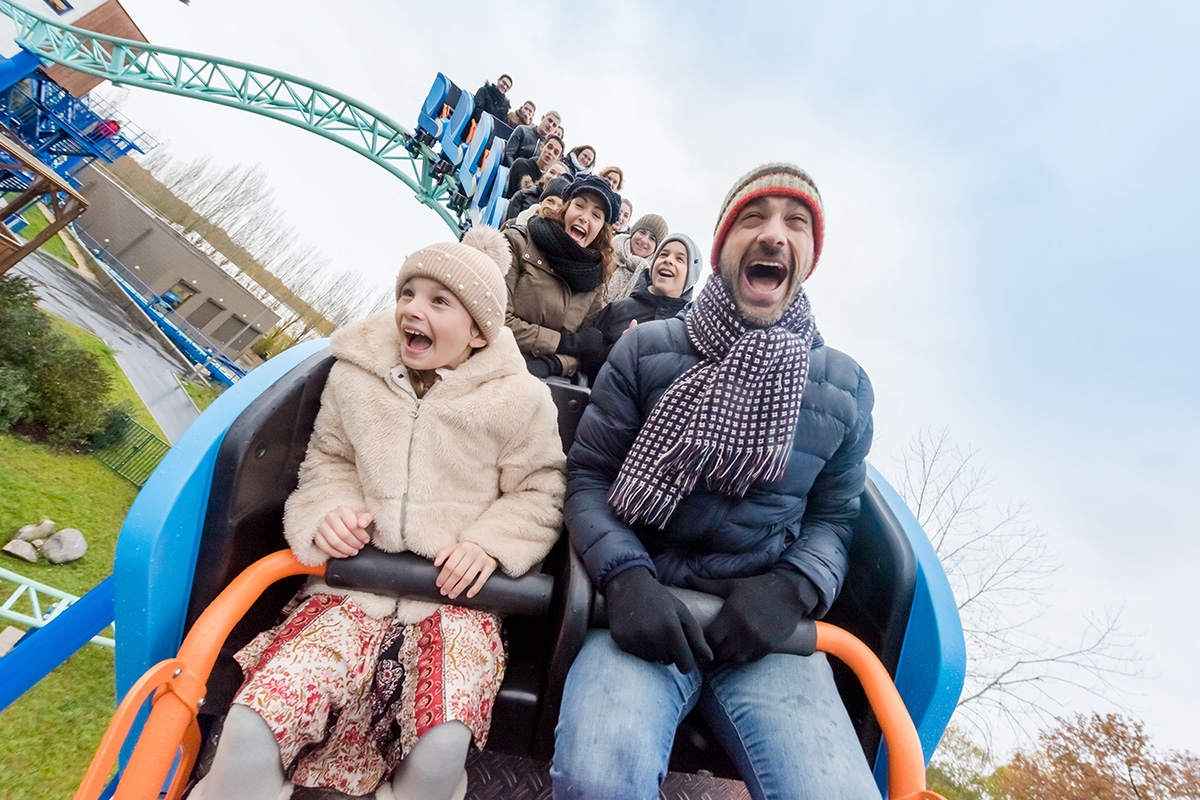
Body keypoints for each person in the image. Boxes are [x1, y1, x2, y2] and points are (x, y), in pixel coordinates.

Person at [191, 228, 567, 800]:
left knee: (441, 743)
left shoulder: (520, 402)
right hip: (351, 586)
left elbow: (541, 492)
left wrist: (490, 543)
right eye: (408, 292)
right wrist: (328, 511)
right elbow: (328, 462)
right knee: (253, 725)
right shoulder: (355, 377)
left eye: (439, 302)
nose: (413, 310)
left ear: (477, 331)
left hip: (453, 600)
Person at [551, 163, 878, 800]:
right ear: (725, 244)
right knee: (597, 777)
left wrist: (791, 587)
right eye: (753, 219)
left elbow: (835, 519)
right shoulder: (647, 350)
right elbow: (588, 477)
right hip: (651, 603)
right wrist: (626, 578)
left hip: (765, 633)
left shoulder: (844, 387)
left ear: (809, 256)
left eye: (796, 223)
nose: (775, 235)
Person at [503, 175, 620, 380]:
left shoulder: (595, 281)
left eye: (596, 215)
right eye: (579, 205)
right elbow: (498, 320)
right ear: (565, 209)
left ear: (601, 229)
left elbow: (585, 350)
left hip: (544, 388)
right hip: (496, 366)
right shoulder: (518, 242)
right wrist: (562, 344)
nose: (585, 217)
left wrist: (555, 363)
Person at [580, 232, 702, 384]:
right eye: (663, 255)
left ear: (690, 276)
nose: (668, 261)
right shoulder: (617, 310)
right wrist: (618, 349)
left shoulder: (691, 332)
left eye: (680, 259)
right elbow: (583, 364)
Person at [604, 212, 668, 304]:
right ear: (633, 233)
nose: (644, 240)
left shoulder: (651, 280)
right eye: (642, 232)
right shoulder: (607, 250)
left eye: (652, 238)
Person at [505, 166, 571, 223]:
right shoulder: (523, 194)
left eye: (559, 177)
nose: (554, 177)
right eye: (552, 172)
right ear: (544, 173)